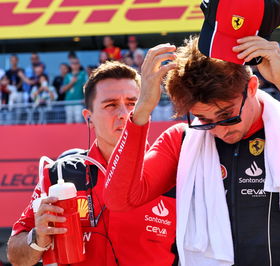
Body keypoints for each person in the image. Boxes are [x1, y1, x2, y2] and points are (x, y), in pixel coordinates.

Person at [103, 35, 280, 266]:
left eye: (226, 116)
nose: (219, 129)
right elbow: (119, 199)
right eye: (205, 120)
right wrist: (142, 111)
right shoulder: (182, 141)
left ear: (251, 88)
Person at [7, 61, 177, 266]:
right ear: (89, 118)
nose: (124, 113)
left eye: (133, 103)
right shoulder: (60, 173)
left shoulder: (171, 171)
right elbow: (15, 256)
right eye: (111, 105)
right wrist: (36, 238)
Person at [60, 56, 87, 123]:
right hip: (68, 102)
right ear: (70, 65)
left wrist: (86, 97)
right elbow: (62, 90)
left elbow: (87, 87)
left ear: (79, 64)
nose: (75, 65)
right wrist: (72, 83)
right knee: (69, 121)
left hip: (79, 102)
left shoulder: (83, 74)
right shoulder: (67, 76)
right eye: (73, 63)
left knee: (79, 120)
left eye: (76, 63)